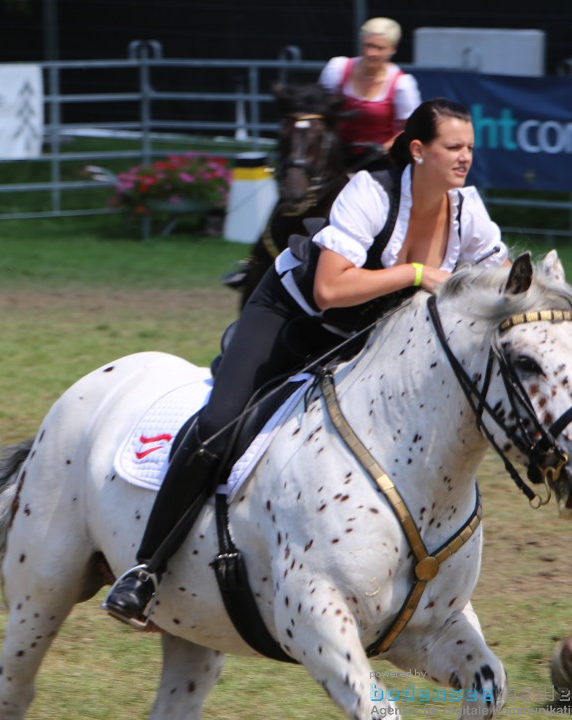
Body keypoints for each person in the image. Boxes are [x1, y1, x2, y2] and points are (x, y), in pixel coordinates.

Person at [104, 98, 508, 626]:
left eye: (470, 148)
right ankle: (144, 570)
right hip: (292, 320)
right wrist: (413, 273)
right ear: (418, 150)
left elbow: (495, 280)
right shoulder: (370, 191)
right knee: (218, 424)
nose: (465, 158)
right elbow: (328, 288)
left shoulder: (466, 208)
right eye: (453, 147)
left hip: (366, 337)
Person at [319, 17, 421, 172]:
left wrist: (385, 147)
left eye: (379, 48)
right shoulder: (338, 69)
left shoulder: (402, 84)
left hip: (378, 161)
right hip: (336, 155)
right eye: (368, 45)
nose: (371, 53)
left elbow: (409, 129)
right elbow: (320, 109)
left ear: (392, 50)